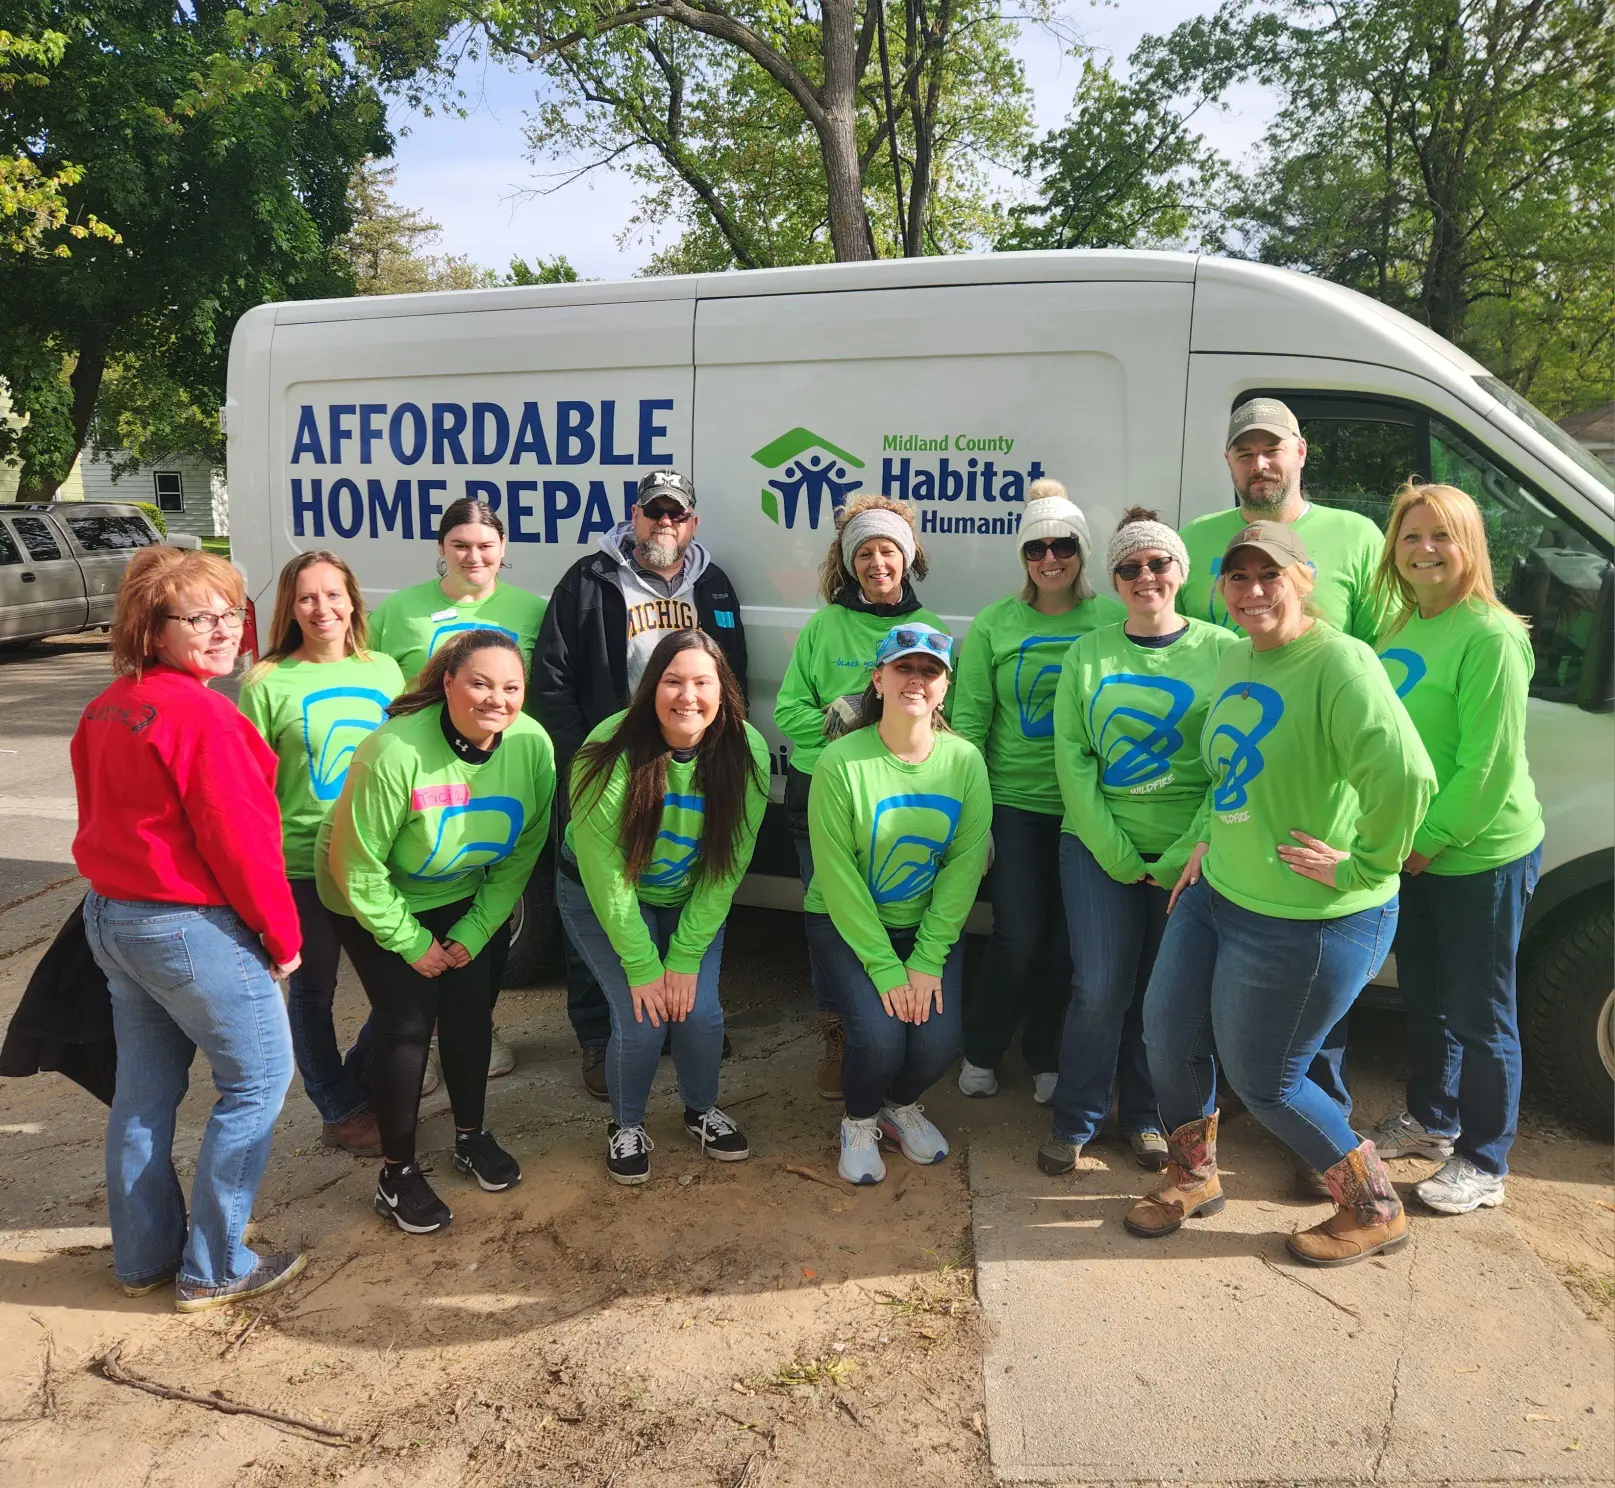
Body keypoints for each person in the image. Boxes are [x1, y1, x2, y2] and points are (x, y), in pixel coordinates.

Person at [1127, 522, 1435, 1267]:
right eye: (1237, 577)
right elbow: (1228, 771)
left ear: (1304, 579)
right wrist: (1206, 834)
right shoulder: (1238, 655)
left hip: (1306, 918)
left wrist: (1361, 868)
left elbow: (1406, 778)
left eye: (1269, 574)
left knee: (1266, 1080)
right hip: (1217, 893)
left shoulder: (1338, 663)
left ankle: (1373, 1206)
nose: (1253, 590)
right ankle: (1194, 1176)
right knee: (1166, 1036)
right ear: (1220, 588)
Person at [72, 547, 306, 1312]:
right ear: (150, 626)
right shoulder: (202, 714)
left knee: (144, 1095)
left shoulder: (110, 703)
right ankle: (216, 1265)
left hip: (115, 919)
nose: (220, 629)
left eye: (229, 612)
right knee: (259, 1083)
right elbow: (240, 840)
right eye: (195, 617)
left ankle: (143, 1256)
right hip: (182, 925)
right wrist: (281, 935)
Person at [1176, 396, 1388, 1174]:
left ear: (1300, 452)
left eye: (1272, 449)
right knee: (1227, 1013)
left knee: (1309, 1018)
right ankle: (1250, 1121)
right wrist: (1207, 821)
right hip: (1234, 803)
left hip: (1317, 817)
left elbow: (1382, 686)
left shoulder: (1357, 539)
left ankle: (1315, 1146)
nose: (1258, 463)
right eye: (1243, 451)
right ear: (1228, 461)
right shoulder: (1194, 540)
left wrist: (1367, 849)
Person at [315, 630, 555, 1235]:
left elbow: (522, 851)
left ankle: (470, 1137)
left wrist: (475, 930)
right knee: (408, 1023)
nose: (495, 699)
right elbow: (357, 866)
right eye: (479, 682)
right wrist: (410, 941)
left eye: (510, 687)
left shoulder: (531, 745)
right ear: (447, 681)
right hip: (367, 896)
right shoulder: (392, 751)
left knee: (472, 1011)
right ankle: (395, 1173)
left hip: (461, 890)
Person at [531, 469, 747, 1100]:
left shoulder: (713, 584)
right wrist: (586, 766)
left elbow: (731, 680)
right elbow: (552, 681)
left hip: (686, 768)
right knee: (601, 895)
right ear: (634, 515)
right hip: (613, 766)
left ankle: (681, 1020)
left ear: (693, 523)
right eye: (654, 512)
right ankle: (598, 1035)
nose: (665, 524)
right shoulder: (589, 581)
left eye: (677, 514)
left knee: (680, 889)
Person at [1366, 483, 1544, 1215]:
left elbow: (1487, 767)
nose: (1424, 550)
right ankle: (1432, 1121)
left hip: (1476, 856)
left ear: (1469, 546)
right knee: (1427, 997)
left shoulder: (1490, 634)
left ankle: (1483, 1160)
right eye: (1410, 538)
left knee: (1480, 1013)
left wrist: (1425, 843)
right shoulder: (1404, 626)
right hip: (1416, 855)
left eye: (1441, 536)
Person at [1042, 509, 1234, 1176]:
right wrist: (1119, 854)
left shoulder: (1223, 651)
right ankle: (1076, 1119)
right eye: (1128, 566)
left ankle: (1147, 1119)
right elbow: (1072, 760)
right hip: (1098, 846)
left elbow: (1233, 764)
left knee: (1165, 994)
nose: (1144, 575)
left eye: (1157, 563)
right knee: (1097, 987)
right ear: (1114, 581)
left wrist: (1185, 850)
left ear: (1180, 572)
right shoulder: (1087, 653)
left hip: (1193, 853)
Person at [557, 630, 770, 1184]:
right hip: (601, 896)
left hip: (687, 894)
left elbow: (727, 866)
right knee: (643, 1015)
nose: (687, 696)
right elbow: (605, 874)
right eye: (672, 681)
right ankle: (625, 1125)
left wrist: (684, 956)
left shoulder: (746, 749)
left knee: (699, 1011)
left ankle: (701, 1111)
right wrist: (645, 964)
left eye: (702, 682)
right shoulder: (607, 748)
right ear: (650, 687)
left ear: (723, 691)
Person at [950, 482, 1121, 1106]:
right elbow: (969, 722)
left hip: (1089, 806)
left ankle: (1046, 1052)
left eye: (1063, 545)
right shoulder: (997, 622)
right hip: (1015, 805)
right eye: (1036, 548)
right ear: (1023, 557)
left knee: (1065, 943)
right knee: (1018, 935)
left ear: (1082, 549)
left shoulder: (1111, 618)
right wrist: (976, 812)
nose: (1050, 558)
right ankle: (982, 1047)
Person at [805, 623, 991, 1186]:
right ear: (878, 679)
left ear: (944, 686)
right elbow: (836, 876)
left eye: (930, 671)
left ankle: (899, 1106)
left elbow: (963, 866)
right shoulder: (839, 763)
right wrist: (887, 968)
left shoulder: (965, 762)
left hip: (923, 927)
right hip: (846, 921)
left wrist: (927, 957)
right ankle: (859, 1120)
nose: (917, 680)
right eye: (904, 668)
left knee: (938, 1041)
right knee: (880, 1037)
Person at [368, 497, 548, 1079]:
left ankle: (477, 1027)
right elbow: (376, 689)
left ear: (504, 550)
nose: (474, 556)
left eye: (486, 545)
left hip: (493, 777)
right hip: (420, 780)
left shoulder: (531, 610)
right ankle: (408, 1045)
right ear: (441, 548)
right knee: (418, 906)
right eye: (461, 545)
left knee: (482, 901)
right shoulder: (400, 612)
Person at [774, 494, 946, 1101]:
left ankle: (897, 1020)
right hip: (822, 791)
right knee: (829, 913)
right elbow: (786, 711)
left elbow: (941, 724)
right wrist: (837, 721)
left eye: (888, 551)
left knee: (893, 913)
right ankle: (839, 1035)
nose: (878, 563)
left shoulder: (927, 635)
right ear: (850, 563)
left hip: (897, 796)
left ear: (908, 557)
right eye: (866, 552)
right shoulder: (824, 626)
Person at [239, 551, 406, 1156]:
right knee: (313, 992)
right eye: (307, 598)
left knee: (405, 981)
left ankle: (359, 1074)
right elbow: (247, 789)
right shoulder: (266, 681)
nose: (323, 609)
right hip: (301, 862)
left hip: (377, 858)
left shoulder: (385, 671)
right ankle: (337, 1105)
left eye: (334, 594)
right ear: (290, 607)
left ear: (353, 600)